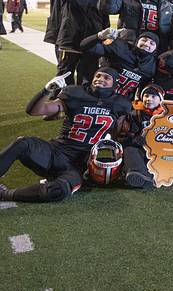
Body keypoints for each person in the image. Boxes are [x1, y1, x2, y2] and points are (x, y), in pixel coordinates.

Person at [0, 68, 132, 202]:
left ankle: (5, 194)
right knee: (23, 143)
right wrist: (46, 91)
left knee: (58, 191)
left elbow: (115, 135)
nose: (100, 79)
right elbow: (35, 111)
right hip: (57, 152)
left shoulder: (121, 103)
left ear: (114, 83)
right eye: (98, 75)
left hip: (80, 164)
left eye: (106, 77)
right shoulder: (76, 93)